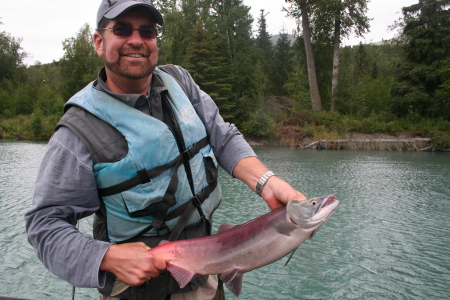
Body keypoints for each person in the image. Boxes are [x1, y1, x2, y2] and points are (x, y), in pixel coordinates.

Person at [25, 1, 306, 299]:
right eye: (121, 29)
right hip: (139, 292)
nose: (136, 40)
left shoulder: (181, 83)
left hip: (206, 277)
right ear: (99, 41)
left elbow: (222, 137)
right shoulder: (77, 130)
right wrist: (107, 257)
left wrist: (267, 182)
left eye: (147, 31)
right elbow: (45, 226)